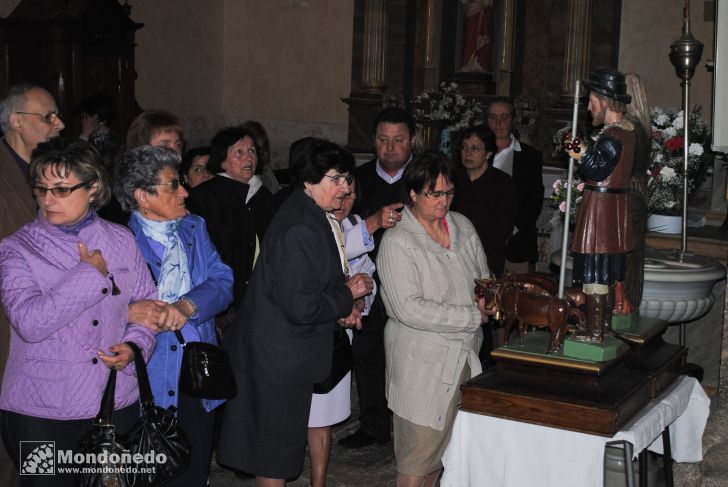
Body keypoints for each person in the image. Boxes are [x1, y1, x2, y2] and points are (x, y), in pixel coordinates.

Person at [216, 138, 374, 486]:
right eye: (336, 179)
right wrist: (347, 295)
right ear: (308, 180)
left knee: (277, 450)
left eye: (347, 179)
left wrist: (341, 308)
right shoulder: (300, 227)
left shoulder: (311, 214)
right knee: (274, 454)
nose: (345, 187)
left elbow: (308, 287)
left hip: (282, 353)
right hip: (276, 359)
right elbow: (302, 306)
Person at [0, 138, 157, 486]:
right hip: (40, 412)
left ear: (93, 188)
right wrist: (89, 275)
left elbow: (147, 308)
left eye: (61, 189)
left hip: (114, 401)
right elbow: (30, 323)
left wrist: (134, 347)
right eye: (40, 189)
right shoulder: (16, 250)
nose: (48, 199)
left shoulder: (121, 240)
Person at [113, 144, 234, 486]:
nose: (184, 191)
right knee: (152, 471)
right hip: (147, 374)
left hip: (197, 369)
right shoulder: (119, 242)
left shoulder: (194, 228)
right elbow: (101, 307)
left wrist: (187, 306)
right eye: (173, 185)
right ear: (143, 196)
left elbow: (223, 281)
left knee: (194, 467)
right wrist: (130, 311)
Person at [377, 151, 491, 487]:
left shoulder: (462, 226)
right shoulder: (398, 242)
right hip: (422, 366)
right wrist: (471, 315)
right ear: (412, 194)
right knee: (416, 458)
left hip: (464, 357)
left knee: (443, 457)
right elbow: (407, 308)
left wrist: (489, 296)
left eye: (449, 193)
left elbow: (484, 277)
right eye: (434, 194)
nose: (443, 202)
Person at [0, 83, 65, 487]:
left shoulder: (52, 170)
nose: (59, 123)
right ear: (16, 122)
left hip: (53, 319)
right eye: (48, 117)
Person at [338, 107, 409, 449]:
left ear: (412, 141)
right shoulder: (357, 179)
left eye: (398, 140)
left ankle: (409, 424)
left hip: (411, 283)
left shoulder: (421, 180)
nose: (390, 147)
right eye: (383, 140)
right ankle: (373, 424)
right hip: (364, 279)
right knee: (366, 352)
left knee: (407, 354)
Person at [307, 175, 377, 487]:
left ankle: (318, 481)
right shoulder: (310, 225)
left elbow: (366, 275)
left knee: (321, 416)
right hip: (307, 328)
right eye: (340, 194)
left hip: (339, 335)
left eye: (351, 196)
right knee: (293, 411)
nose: (344, 203)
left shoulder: (355, 224)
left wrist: (359, 305)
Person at [566, 67, 636, 340]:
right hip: (611, 207)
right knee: (602, 270)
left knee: (596, 270)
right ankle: (599, 326)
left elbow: (596, 168)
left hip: (602, 210)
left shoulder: (614, 136)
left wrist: (576, 150)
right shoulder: (627, 133)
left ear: (605, 101)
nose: (588, 107)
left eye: (591, 100)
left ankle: (596, 331)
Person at [186, 127, 274, 320]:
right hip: (222, 299)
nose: (248, 158)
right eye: (239, 152)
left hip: (260, 296)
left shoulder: (264, 197)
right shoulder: (204, 197)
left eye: (252, 151)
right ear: (222, 160)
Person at [486, 96, 544, 274]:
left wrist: (509, 230)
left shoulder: (529, 157)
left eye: (504, 117)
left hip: (516, 244)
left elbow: (534, 200)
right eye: (493, 117)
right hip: (480, 242)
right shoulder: (474, 154)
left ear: (512, 120)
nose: (498, 122)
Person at [452, 124, 516, 278]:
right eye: (465, 147)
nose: (468, 153)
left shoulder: (502, 182)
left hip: (487, 257)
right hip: (453, 255)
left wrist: (475, 252)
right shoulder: (453, 179)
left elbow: (504, 227)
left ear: (488, 153)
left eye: (474, 148)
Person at [624, 73, 651, 308]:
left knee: (626, 259)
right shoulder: (644, 126)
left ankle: (625, 306)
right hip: (641, 191)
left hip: (629, 192)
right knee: (634, 259)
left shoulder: (629, 127)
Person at [240, 120, 282, 194]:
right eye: (254, 149)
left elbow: (276, 191)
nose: (261, 153)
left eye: (263, 148)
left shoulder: (266, 170)